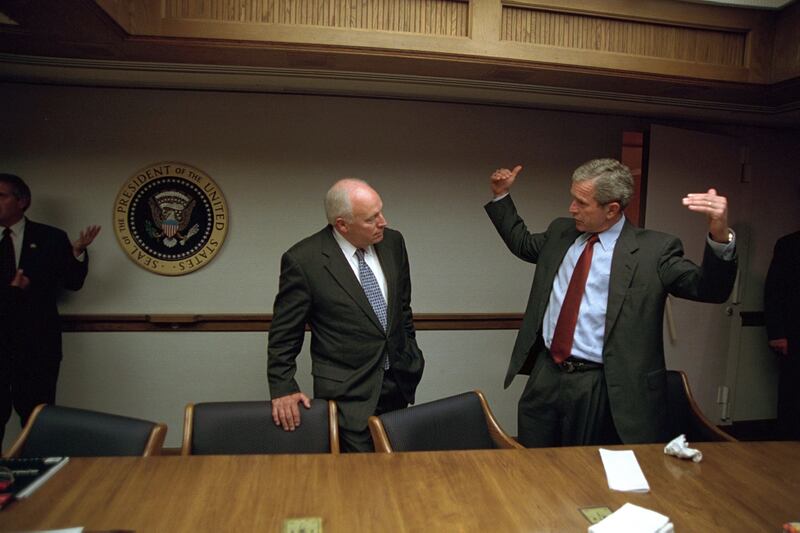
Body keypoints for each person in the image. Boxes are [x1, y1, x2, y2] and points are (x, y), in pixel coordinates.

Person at [485, 159, 737, 447]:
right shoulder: (562, 233)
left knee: (584, 469)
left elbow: (709, 289)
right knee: (531, 461)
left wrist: (720, 234)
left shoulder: (653, 251)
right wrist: (501, 195)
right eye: (573, 198)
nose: (572, 208)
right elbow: (523, 244)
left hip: (598, 381)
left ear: (612, 209)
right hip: (546, 372)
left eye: (582, 202)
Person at [267, 178, 425, 452]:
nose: (383, 222)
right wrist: (283, 388)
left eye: (381, 212)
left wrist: (411, 352)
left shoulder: (393, 243)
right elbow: (284, 334)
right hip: (348, 394)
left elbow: (402, 308)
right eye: (371, 218)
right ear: (342, 224)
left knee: (401, 473)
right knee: (360, 481)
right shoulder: (304, 260)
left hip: (398, 382)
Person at [0, 173, 100, 444]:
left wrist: (76, 252)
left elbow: (72, 282)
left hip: (36, 345)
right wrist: (11, 292)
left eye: (1, 196)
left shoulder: (50, 238)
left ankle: (40, 478)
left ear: (22, 201)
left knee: (38, 418)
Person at [764, 230, 800, 440]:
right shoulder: (790, 244)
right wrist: (777, 333)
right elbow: (774, 290)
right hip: (794, 334)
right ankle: (787, 443)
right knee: (792, 393)